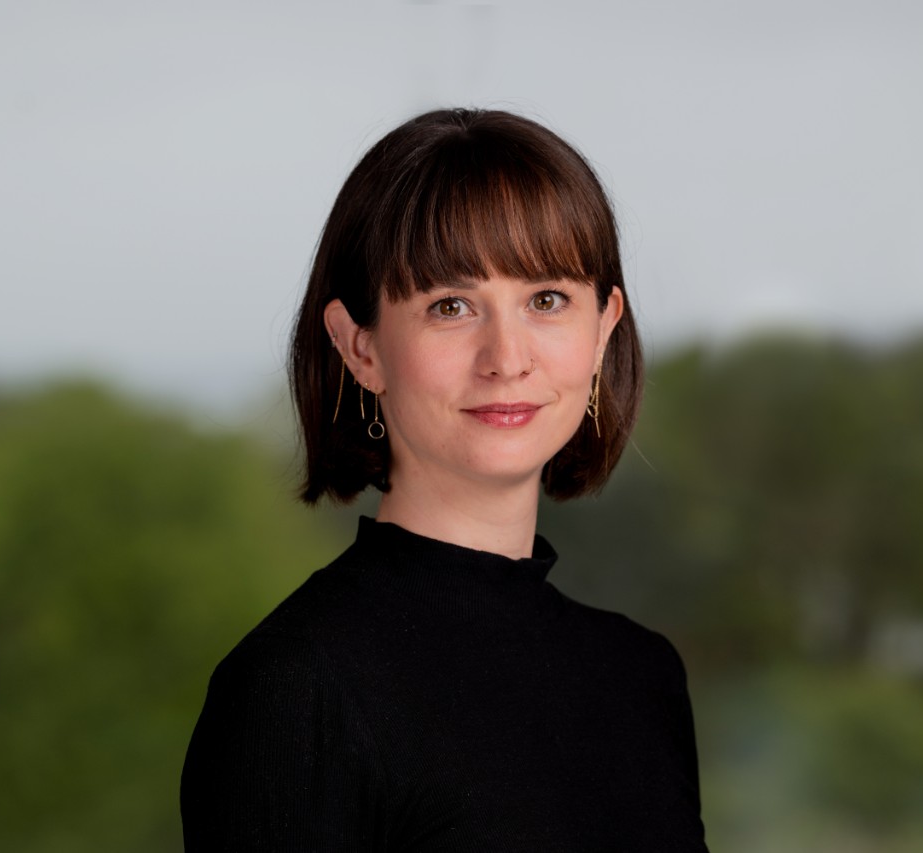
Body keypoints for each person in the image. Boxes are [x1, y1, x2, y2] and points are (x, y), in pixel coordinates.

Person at [181, 107, 708, 851]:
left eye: (546, 300)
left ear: (603, 328)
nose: (507, 358)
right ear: (360, 348)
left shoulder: (643, 676)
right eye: (450, 306)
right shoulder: (296, 689)